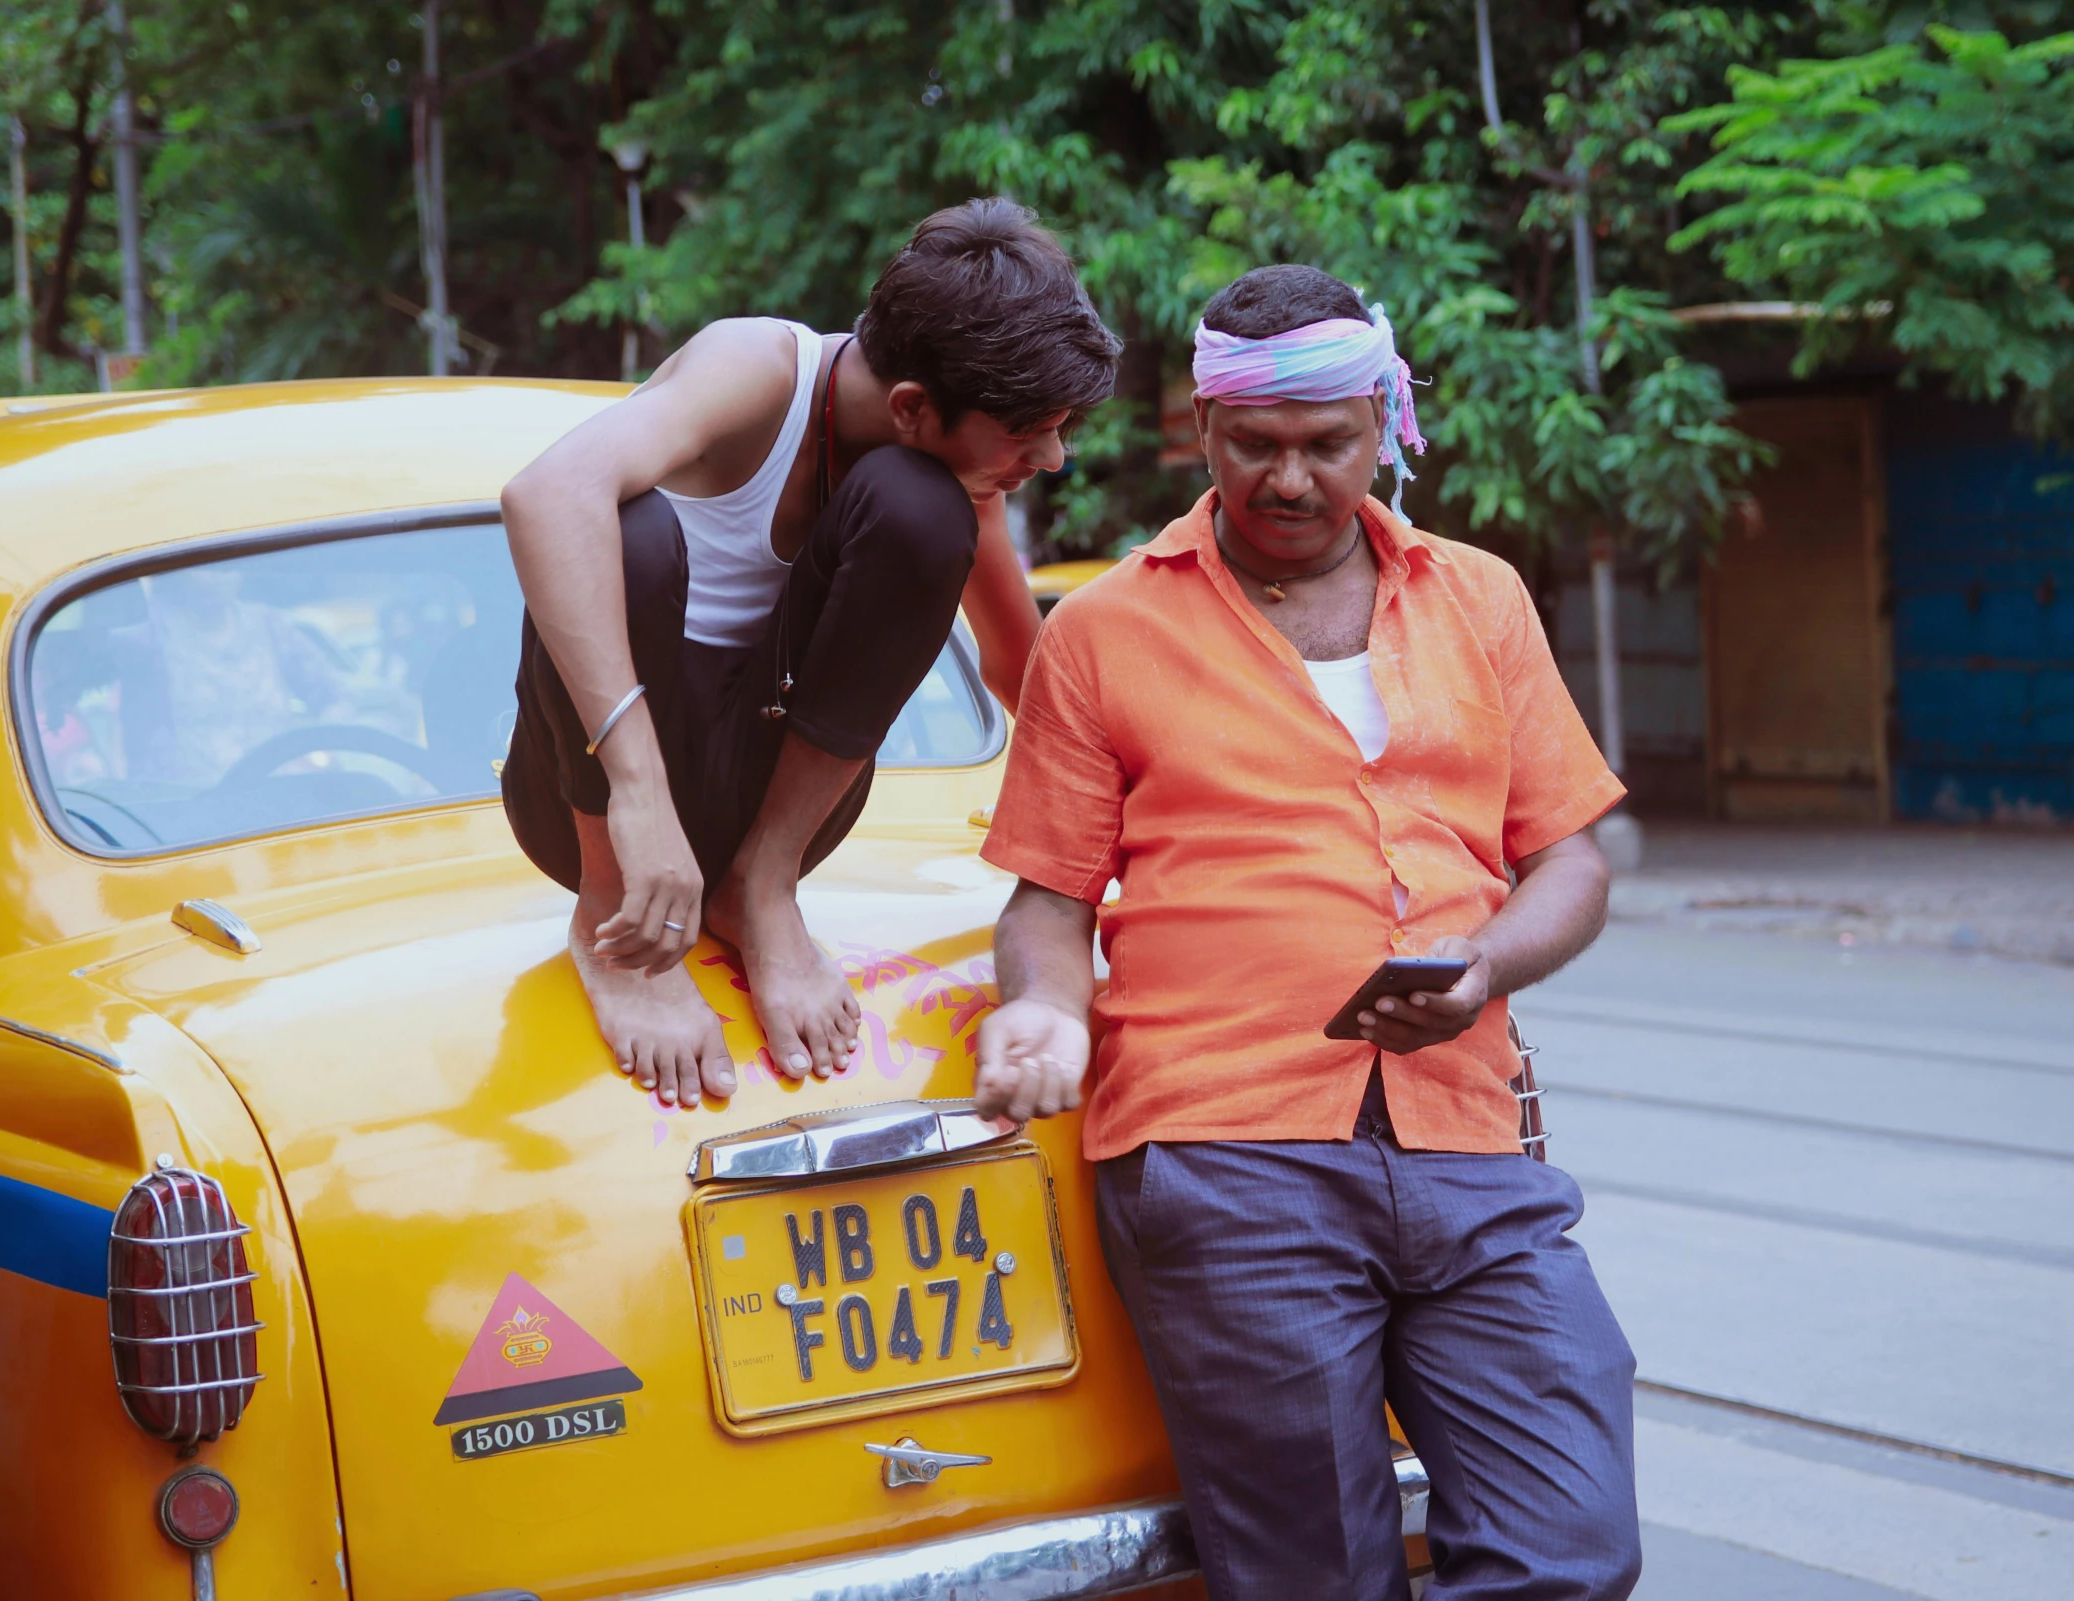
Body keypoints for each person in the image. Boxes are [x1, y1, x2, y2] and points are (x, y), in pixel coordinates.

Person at [972, 264, 1641, 1600]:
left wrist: (1484, 966)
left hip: (1466, 1138)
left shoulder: (1480, 599)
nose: (1289, 481)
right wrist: (1044, 1006)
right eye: (1255, 447)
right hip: (1224, 1160)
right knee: (1311, 1575)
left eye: (1326, 445)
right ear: (1202, 435)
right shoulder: (1102, 631)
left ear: (1386, 423)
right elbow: (1048, 899)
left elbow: (1570, 856)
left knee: (1570, 1545)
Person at [500, 198, 1121, 1111]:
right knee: (623, 529)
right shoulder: (755, 368)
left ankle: (758, 888)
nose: (1055, 458)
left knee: (924, 510)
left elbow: (1020, 670)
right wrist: (637, 793)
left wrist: (1156, 825)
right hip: (597, 798)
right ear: (912, 405)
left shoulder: (952, 477)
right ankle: (609, 910)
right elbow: (543, 493)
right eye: (1030, 434)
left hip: (768, 799)